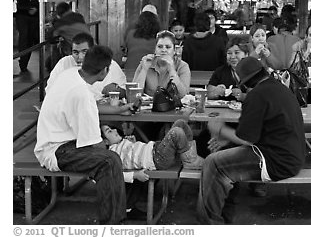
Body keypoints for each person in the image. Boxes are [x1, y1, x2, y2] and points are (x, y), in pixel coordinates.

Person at [197, 57, 305, 224]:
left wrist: (220, 129)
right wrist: (226, 142)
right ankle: (224, 218)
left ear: (245, 81)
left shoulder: (257, 95)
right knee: (224, 160)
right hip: (291, 156)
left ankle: (209, 224)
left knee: (213, 163)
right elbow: (255, 134)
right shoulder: (278, 88)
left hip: (276, 161)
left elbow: (246, 139)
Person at [34, 45, 126, 224]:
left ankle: (117, 213)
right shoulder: (82, 94)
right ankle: (112, 224)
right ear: (104, 71)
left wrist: (119, 111)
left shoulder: (70, 75)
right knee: (110, 161)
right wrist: (118, 145)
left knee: (112, 157)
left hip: (54, 142)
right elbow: (92, 143)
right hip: (56, 150)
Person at [101, 119, 204, 182]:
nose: (114, 130)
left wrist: (133, 143)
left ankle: (190, 156)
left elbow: (133, 154)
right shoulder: (112, 154)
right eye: (109, 131)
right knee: (176, 132)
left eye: (112, 128)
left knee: (180, 123)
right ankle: (190, 161)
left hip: (156, 148)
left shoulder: (122, 143)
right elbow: (115, 174)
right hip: (156, 159)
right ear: (105, 142)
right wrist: (135, 175)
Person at [46, 33, 128, 111]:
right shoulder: (65, 65)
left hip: (105, 110)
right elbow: (50, 90)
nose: (80, 58)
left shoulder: (109, 64)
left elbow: (124, 92)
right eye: (75, 52)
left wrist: (115, 90)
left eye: (84, 52)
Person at [133, 30, 191, 100]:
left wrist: (172, 70)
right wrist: (144, 70)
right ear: (155, 49)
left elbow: (183, 95)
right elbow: (134, 94)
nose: (163, 50)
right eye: (160, 46)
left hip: (173, 107)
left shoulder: (183, 66)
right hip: (148, 107)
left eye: (168, 47)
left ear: (174, 50)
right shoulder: (146, 62)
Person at [45, 2, 91, 69]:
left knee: (57, 47)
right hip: (91, 46)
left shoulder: (60, 23)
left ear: (58, 14)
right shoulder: (79, 17)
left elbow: (50, 38)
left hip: (79, 52)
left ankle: (55, 71)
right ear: (69, 9)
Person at [207, 36, 250, 101]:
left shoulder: (253, 72)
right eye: (229, 53)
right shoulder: (220, 71)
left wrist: (242, 96)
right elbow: (208, 94)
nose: (232, 57)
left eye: (237, 53)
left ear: (246, 54)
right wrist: (216, 92)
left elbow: (259, 97)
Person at [13, 0, 39, 74]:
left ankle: (25, 61)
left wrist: (36, 9)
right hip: (22, 16)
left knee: (31, 39)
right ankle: (22, 62)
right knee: (24, 37)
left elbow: (41, 2)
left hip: (34, 17)